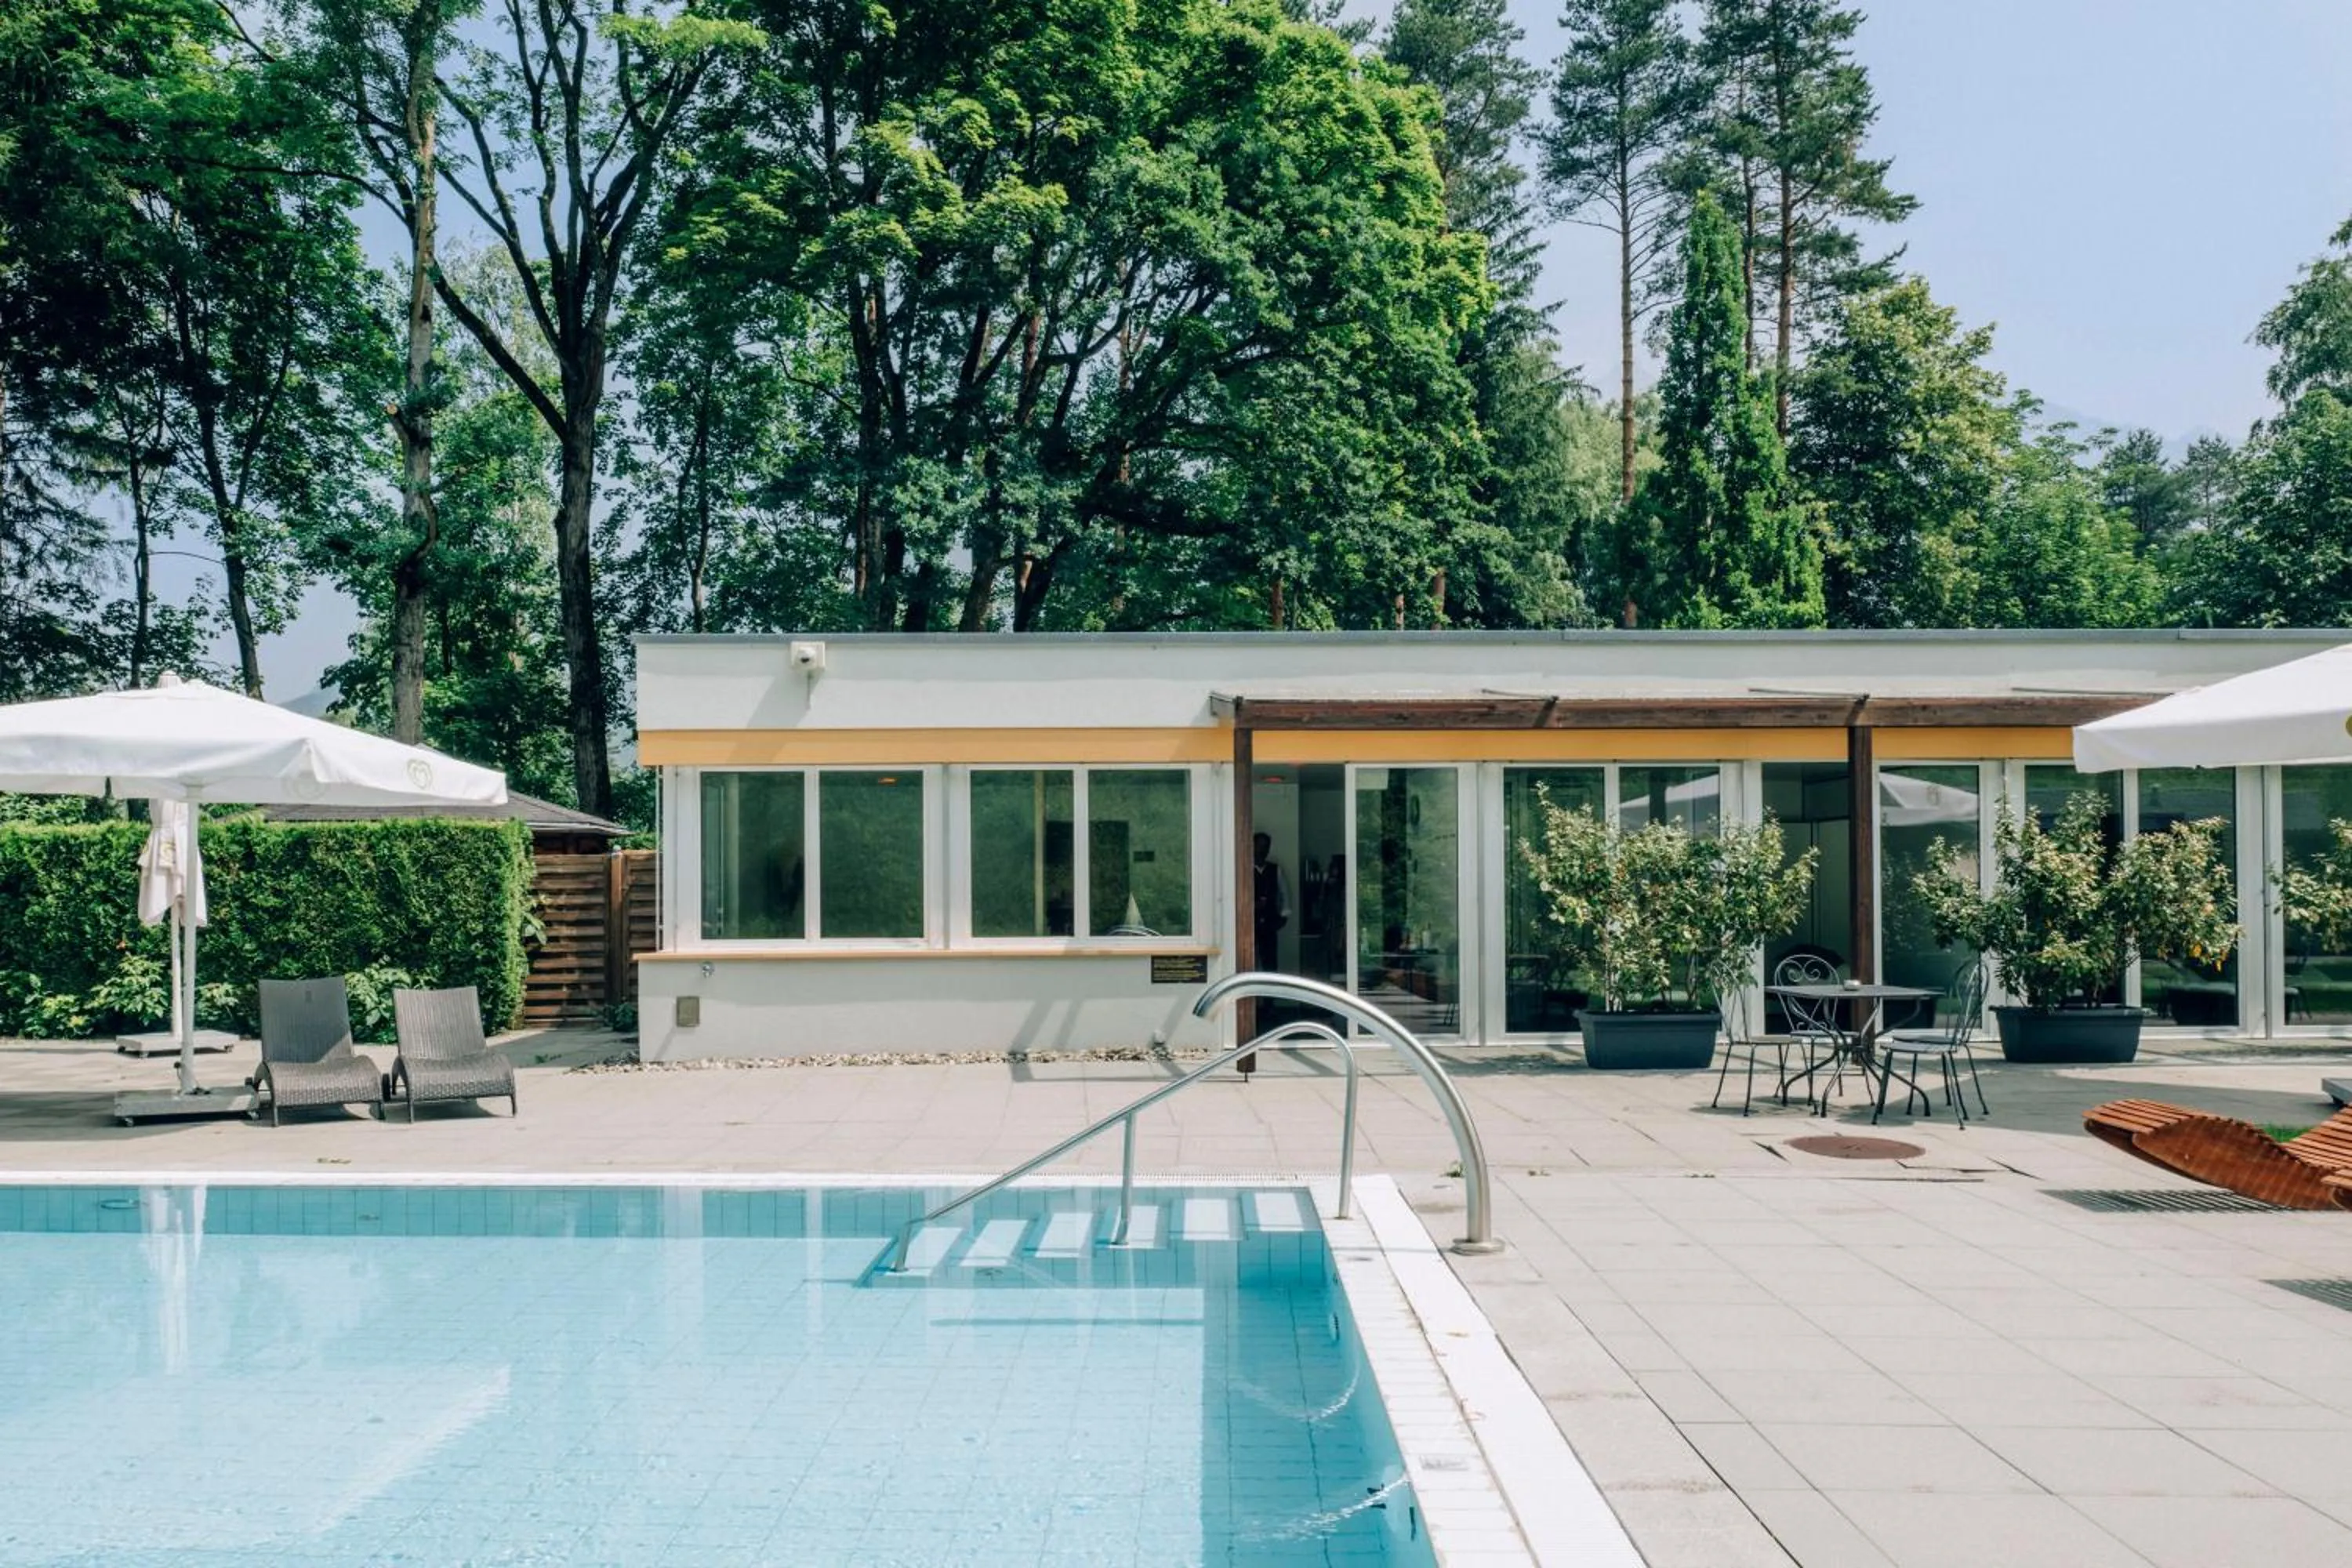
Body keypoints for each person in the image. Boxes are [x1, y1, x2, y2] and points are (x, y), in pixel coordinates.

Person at [1251, 832, 1290, 971]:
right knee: (1250, 960)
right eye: (1259, 846)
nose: (1262, 850)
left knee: (1270, 961)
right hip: (1250, 923)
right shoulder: (1244, 869)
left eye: (1265, 847)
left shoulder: (1276, 870)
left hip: (1270, 922)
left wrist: (1284, 915)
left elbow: (1284, 893)